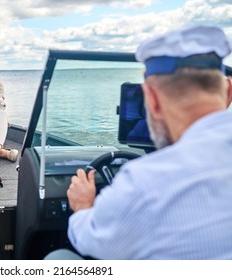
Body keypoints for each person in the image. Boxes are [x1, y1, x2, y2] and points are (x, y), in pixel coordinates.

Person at [46, 25, 232, 260]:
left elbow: (92, 242)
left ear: (151, 100)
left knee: (58, 259)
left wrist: (83, 206)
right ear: (228, 93)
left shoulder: (146, 183)